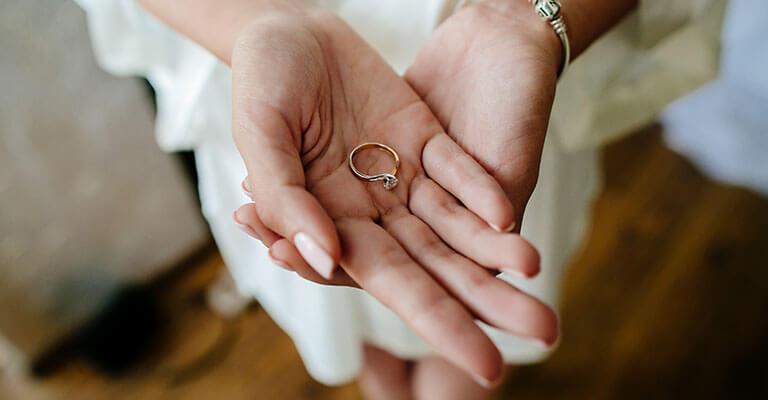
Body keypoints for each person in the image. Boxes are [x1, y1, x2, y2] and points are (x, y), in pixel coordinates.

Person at [76, 0, 725, 398]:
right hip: (260, 78)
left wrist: (530, 17)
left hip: (489, 103)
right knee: (348, 301)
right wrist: (263, 21)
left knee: (466, 316)